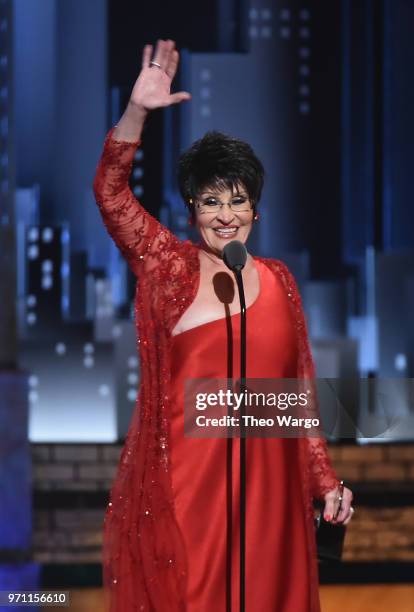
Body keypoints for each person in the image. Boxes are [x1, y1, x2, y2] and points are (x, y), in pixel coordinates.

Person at [93, 39, 354, 612]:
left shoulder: (280, 279)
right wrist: (136, 112)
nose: (226, 215)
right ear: (191, 210)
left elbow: (296, 395)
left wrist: (324, 481)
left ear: (257, 208)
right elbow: (111, 196)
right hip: (192, 497)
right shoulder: (170, 268)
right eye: (211, 202)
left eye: (238, 201)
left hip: (272, 499)